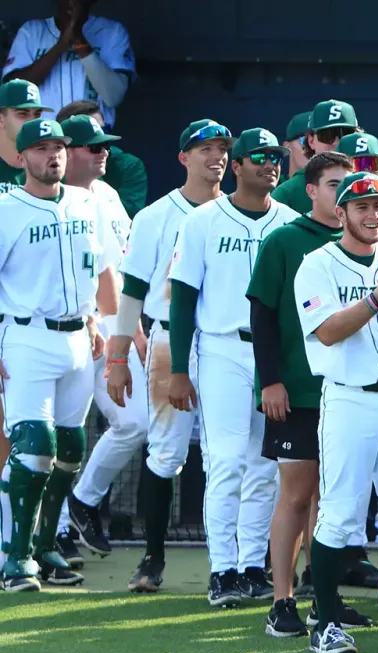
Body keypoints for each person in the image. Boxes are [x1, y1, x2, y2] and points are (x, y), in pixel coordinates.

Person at [293, 171, 378, 653]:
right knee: (341, 514)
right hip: (349, 397)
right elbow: (327, 332)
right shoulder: (316, 264)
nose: (373, 215)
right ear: (341, 212)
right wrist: (377, 299)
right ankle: (325, 623)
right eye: (362, 206)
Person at [166, 127, 300, 606]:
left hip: (274, 355)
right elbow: (182, 300)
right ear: (237, 166)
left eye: (276, 156)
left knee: (266, 465)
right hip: (222, 347)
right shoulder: (202, 220)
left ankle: (251, 565)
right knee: (223, 460)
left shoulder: (290, 221)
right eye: (258, 156)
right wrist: (178, 368)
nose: (270, 163)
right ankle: (222, 569)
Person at [100, 119, 233, 593]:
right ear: (183, 157)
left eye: (222, 149)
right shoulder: (157, 214)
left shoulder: (243, 212)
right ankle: (152, 558)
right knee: (166, 452)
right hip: (167, 339)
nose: (214, 156)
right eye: (204, 149)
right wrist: (118, 356)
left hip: (227, 343)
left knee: (231, 456)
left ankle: (235, 564)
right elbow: (132, 289)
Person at [247, 151, 372, 638]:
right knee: (296, 495)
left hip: (350, 392)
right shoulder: (285, 240)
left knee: (335, 500)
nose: (343, 193)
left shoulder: (372, 241)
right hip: (297, 391)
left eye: (351, 185)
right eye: (334, 184)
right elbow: (262, 315)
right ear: (312, 190)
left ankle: (325, 600)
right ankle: (282, 601)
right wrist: (269, 381)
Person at [0, 118, 121, 592]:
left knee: (69, 451)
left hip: (78, 337)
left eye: (60, 147)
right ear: (20, 158)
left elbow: (98, 270)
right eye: (43, 147)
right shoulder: (7, 209)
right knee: (33, 449)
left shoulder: (87, 203)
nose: (54, 155)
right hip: (26, 335)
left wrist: (96, 320)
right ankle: (15, 555)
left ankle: (47, 546)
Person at [52, 114, 141, 578]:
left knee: (134, 421)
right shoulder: (50, 199)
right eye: (92, 147)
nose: (102, 152)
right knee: (58, 434)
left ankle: (82, 502)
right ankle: (54, 532)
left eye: (105, 145)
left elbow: (121, 268)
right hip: (65, 325)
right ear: (66, 152)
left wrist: (130, 328)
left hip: (110, 321)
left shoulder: (106, 195)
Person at [1, 0, 135, 127]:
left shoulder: (112, 32)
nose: (73, 1)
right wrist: (61, 45)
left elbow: (114, 97)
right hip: (41, 139)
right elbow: (14, 92)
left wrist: (78, 39)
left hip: (92, 140)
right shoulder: (32, 31)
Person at [55, 99, 147, 217]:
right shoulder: (46, 176)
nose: (104, 152)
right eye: (93, 143)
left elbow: (130, 215)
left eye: (104, 134)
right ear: (65, 150)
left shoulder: (124, 170)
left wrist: (91, 175)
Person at [272, 100, 361, 213]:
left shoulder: (370, 184)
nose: (336, 143)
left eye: (346, 135)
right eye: (328, 136)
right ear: (311, 141)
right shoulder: (287, 193)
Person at [0, 79, 52, 194]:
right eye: (22, 114)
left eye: (37, 114)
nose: (32, 121)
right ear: (1, 119)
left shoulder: (50, 166)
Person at [282, 112, 311, 179]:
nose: (313, 147)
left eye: (319, 140)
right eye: (305, 140)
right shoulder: (271, 187)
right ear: (287, 146)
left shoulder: (339, 188)